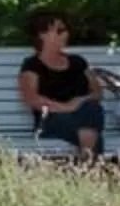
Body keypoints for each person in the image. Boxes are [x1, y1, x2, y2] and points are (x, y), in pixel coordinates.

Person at [19, 8, 106, 159]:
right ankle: (89, 169)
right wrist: (66, 108)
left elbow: (97, 93)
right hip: (51, 119)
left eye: (65, 30)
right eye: (59, 31)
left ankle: (85, 170)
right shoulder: (32, 65)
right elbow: (32, 99)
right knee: (89, 132)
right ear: (42, 35)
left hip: (84, 115)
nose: (65, 34)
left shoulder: (78, 62)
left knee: (93, 109)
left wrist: (80, 100)